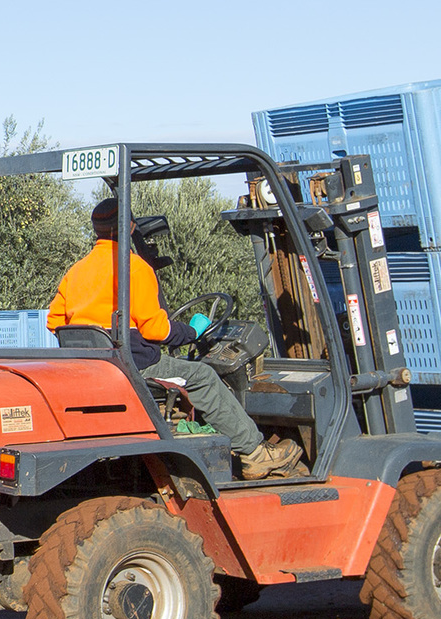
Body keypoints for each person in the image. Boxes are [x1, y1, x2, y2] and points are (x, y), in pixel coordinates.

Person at [47, 199, 298, 480]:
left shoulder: (76, 270)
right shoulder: (134, 268)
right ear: (129, 227)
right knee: (202, 375)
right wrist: (191, 333)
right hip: (134, 365)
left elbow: (54, 322)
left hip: (95, 367)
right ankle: (255, 453)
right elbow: (156, 331)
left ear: (96, 229)